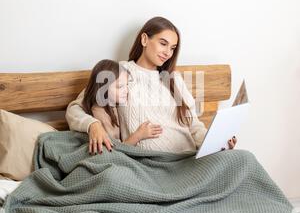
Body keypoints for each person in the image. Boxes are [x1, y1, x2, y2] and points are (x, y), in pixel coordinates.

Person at [66, 16, 237, 154]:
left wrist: (217, 142)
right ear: (144, 39)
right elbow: (76, 107)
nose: (167, 53)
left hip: (186, 158)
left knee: (243, 159)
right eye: (163, 43)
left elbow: (194, 127)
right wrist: (92, 125)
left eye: (172, 48)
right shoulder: (120, 72)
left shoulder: (174, 79)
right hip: (149, 164)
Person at [80, 58, 163, 152]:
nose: (126, 91)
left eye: (126, 85)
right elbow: (114, 150)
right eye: (120, 87)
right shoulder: (100, 113)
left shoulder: (111, 106)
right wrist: (139, 135)